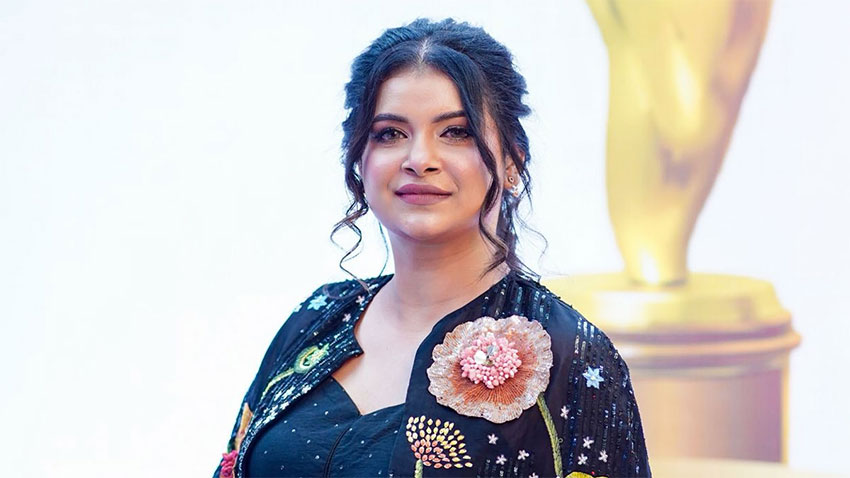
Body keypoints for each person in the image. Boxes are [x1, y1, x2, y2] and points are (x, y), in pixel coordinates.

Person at [213, 18, 650, 478]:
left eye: (456, 132)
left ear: (512, 161)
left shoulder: (568, 353)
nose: (419, 159)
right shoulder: (316, 320)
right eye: (390, 133)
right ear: (359, 159)